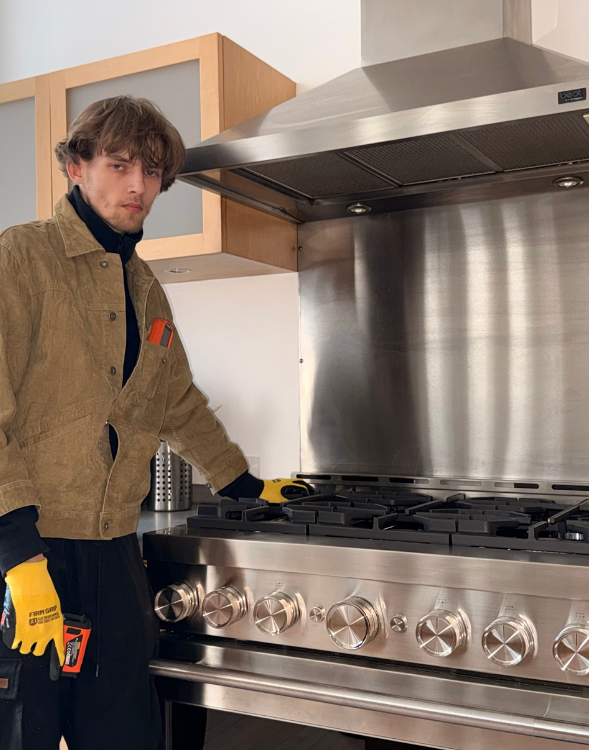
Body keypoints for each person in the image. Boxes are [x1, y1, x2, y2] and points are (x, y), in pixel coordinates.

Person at [0, 95, 309, 750]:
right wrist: (18, 555)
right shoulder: (19, 261)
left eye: (150, 171)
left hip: (113, 555)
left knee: (126, 733)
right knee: (24, 733)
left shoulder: (146, 289)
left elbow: (176, 403)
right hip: (28, 552)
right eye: (119, 165)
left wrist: (244, 487)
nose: (137, 185)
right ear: (76, 166)